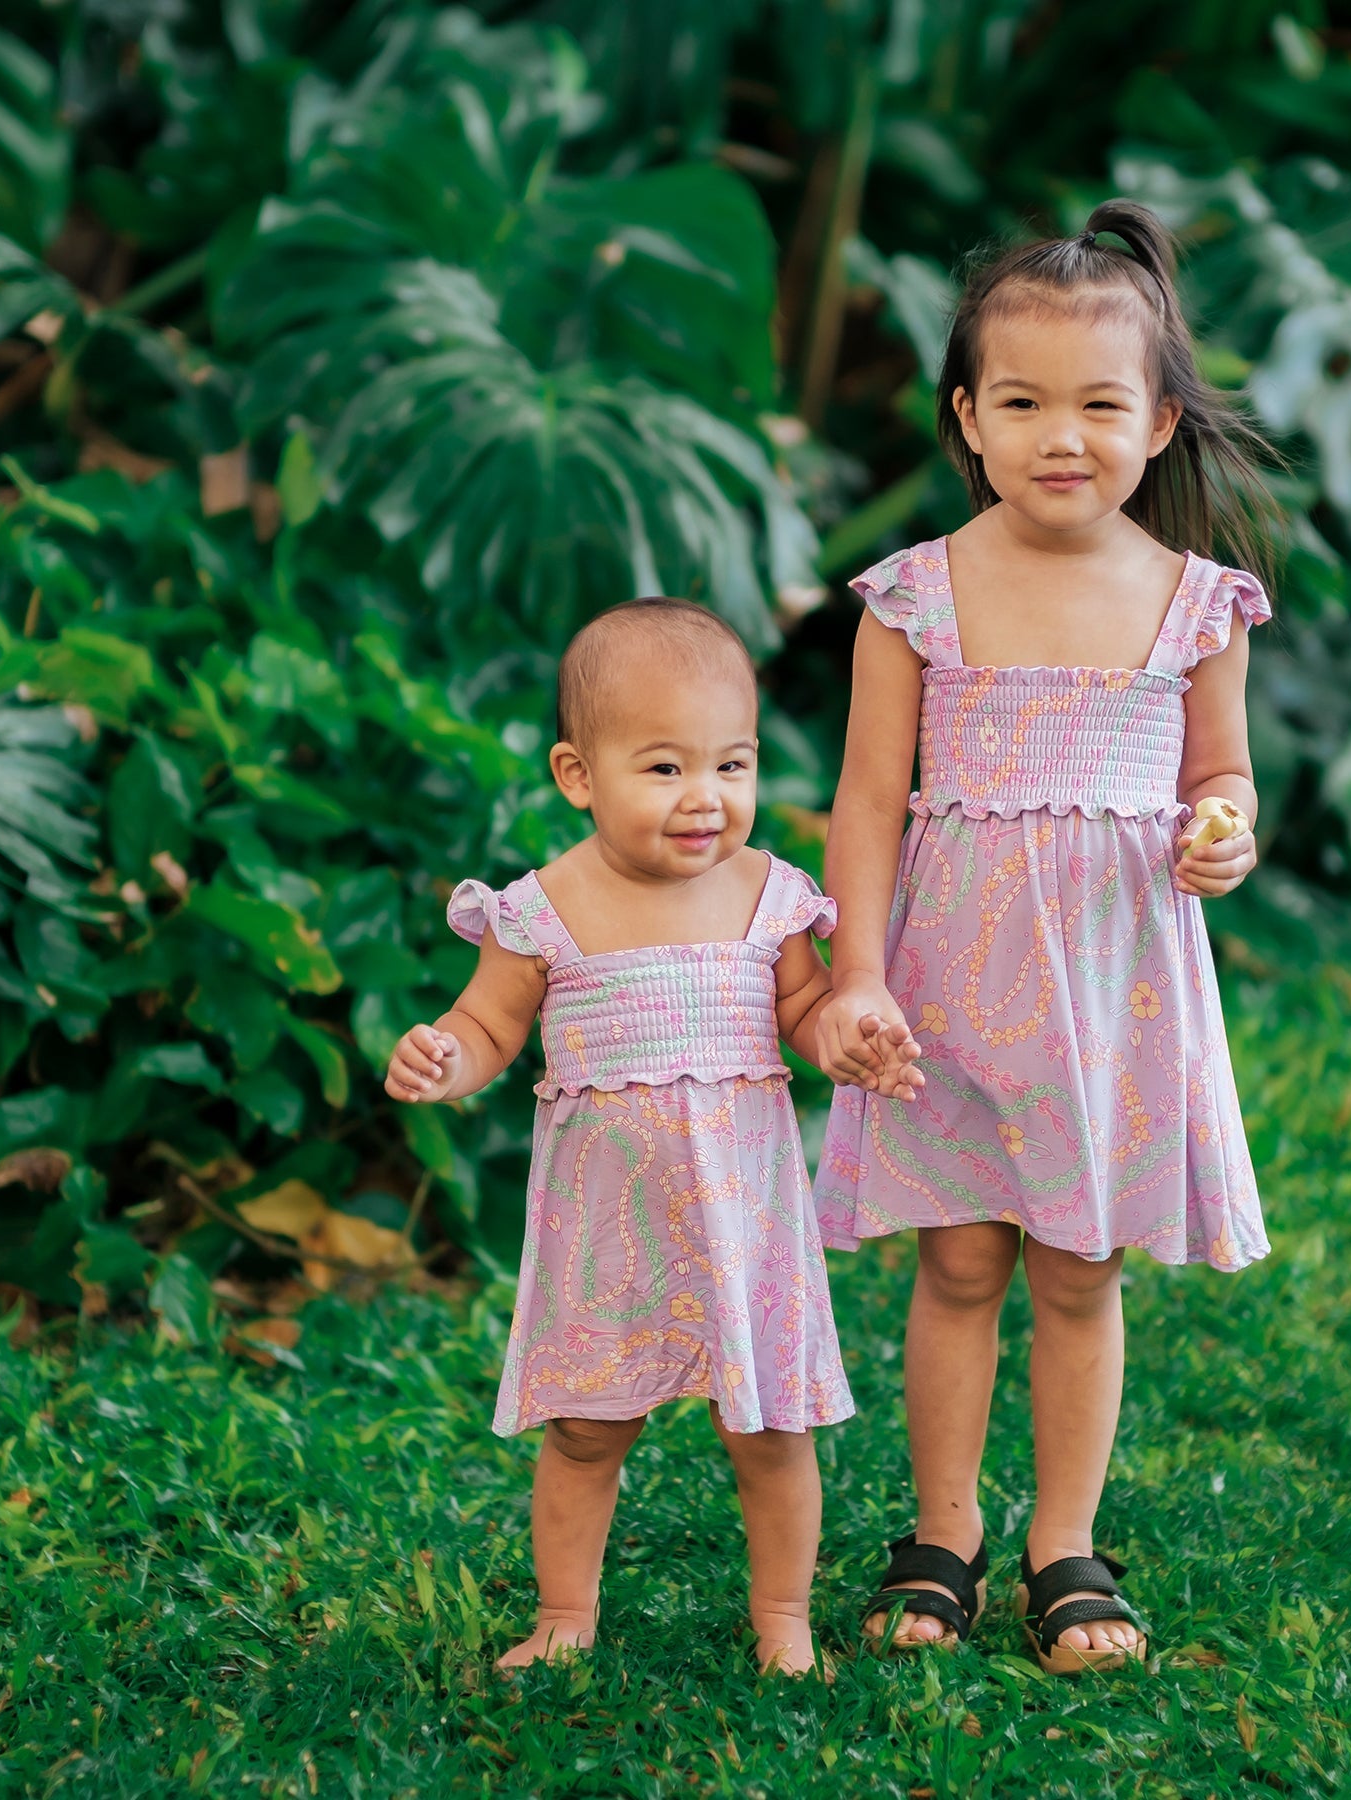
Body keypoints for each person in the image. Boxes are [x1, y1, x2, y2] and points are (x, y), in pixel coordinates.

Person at [813, 201, 1276, 1674]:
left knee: (1080, 1268)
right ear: (967, 417)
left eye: (1097, 404)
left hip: (1116, 990)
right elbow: (867, 802)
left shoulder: (1196, 606)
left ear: (1157, 422)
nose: (1059, 435)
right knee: (959, 1263)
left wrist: (1222, 830)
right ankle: (943, 1526)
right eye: (1020, 402)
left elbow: (1220, 775)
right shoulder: (916, 596)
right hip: (955, 986)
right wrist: (862, 976)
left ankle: (1063, 1542)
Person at [386, 599, 920, 1677]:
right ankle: (563, 1615)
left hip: (745, 1218)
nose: (705, 799)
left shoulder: (770, 897)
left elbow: (805, 1012)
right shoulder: (543, 909)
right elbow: (489, 1023)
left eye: (732, 765)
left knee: (772, 1429)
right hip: (607, 1227)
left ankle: (783, 1618)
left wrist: (846, 1039)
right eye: (665, 768)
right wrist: (447, 1058)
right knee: (584, 1429)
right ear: (578, 776)